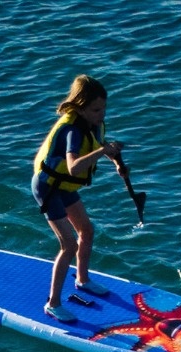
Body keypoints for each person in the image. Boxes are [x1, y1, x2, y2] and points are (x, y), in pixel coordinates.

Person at [31, 74, 123, 323]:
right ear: (81, 108)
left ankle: (82, 279)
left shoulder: (92, 124)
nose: (101, 114)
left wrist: (115, 160)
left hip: (64, 187)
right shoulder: (72, 131)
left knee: (87, 231)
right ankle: (53, 304)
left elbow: (99, 144)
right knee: (69, 246)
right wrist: (102, 151)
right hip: (48, 188)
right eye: (96, 110)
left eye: (104, 108)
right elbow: (73, 167)